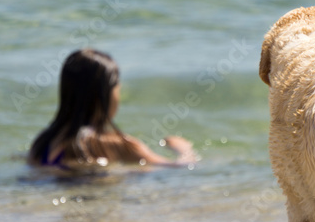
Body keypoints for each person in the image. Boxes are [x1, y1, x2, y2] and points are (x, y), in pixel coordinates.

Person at [28, 49, 197, 173]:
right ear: (105, 94)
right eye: (117, 85)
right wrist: (182, 149)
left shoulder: (43, 142)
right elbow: (179, 167)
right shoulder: (116, 144)